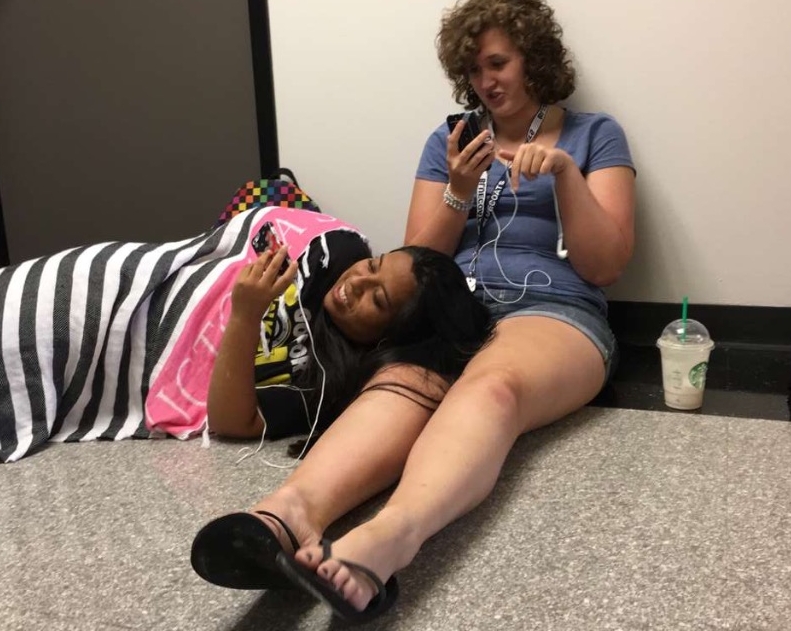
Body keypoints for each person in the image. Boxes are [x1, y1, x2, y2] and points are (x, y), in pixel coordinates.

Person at [191, 0, 635, 623]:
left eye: (499, 63)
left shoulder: (596, 135)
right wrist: (457, 187)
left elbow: (606, 265)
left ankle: (388, 538)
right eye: (475, 70)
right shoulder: (451, 138)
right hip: (451, 312)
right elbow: (413, 270)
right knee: (400, 383)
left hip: (553, 311)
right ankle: (287, 513)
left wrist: (563, 174)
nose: (487, 82)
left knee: (493, 386)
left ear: (534, 57)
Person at [0, 206, 493, 478]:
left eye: (377, 300)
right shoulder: (339, 248)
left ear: (388, 338)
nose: (356, 283)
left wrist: (246, 314)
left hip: (119, 352)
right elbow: (255, 226)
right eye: (374, 266)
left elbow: (233, 420)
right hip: (114, 280)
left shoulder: (320, 383)